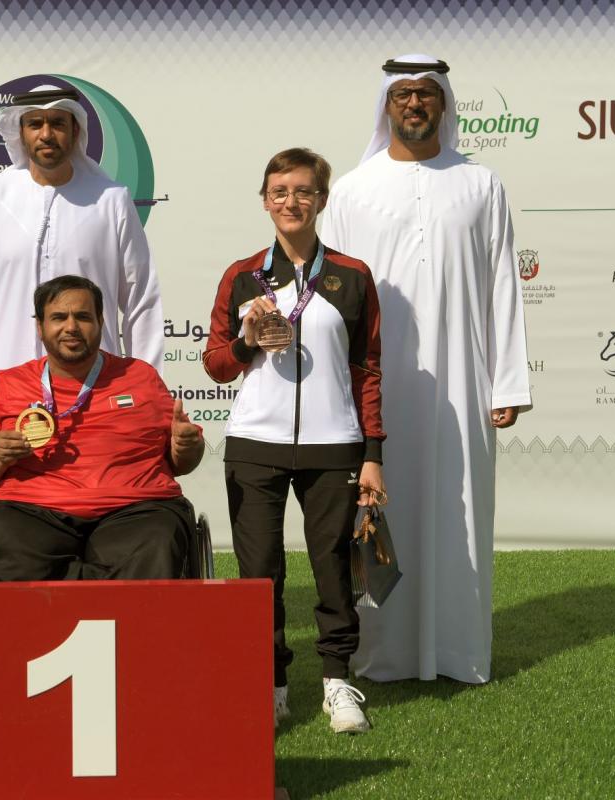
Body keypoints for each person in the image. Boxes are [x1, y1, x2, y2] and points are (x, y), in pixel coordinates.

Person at [319, 55, 531, 684]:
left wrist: (509, 380)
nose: (414, 105)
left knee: (461, 509)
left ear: (444, 104)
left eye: (426, 95)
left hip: (465, 383)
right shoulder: (354, 190)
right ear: (386, 105)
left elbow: (502, 287)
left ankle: (459, 652)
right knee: (380, 508)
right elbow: (334, 298)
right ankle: (379, 653)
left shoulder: (481, 184)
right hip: (379, 384)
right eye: (403, 94)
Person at [204, 148, 387, 734]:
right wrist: (247, 341)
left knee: (332, 564)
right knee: (260, 572)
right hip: (254, 444)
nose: (291, 201)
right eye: (280, 191)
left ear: (322, 201)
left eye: (303, 191)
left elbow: (369, 371)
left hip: (334, 445)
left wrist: (373, 455)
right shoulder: (241, 276)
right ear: (265, 200)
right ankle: (272, 685)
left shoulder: (353, 276)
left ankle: (337, 683)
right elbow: (215, 366)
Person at [0, 275, 203, 581]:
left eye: (83, 317)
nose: (71, 327)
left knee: (158, 538)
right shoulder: (7, 383)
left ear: (101, 322)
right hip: (31, 512)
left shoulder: (141, 376)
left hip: (136, 509)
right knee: (8, 542)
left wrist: (186, 446)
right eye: (58, 317)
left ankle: (141, 630)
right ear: (40, 327)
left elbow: (183, 462)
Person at [0, 86, 164, 414]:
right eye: (35, 124)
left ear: (76, 131)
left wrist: (146, 382)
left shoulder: (110, 199)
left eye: (57, 124)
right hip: (3, 379)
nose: (46, 134)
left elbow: (140, 298)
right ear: (20, 132)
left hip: (93, 386)